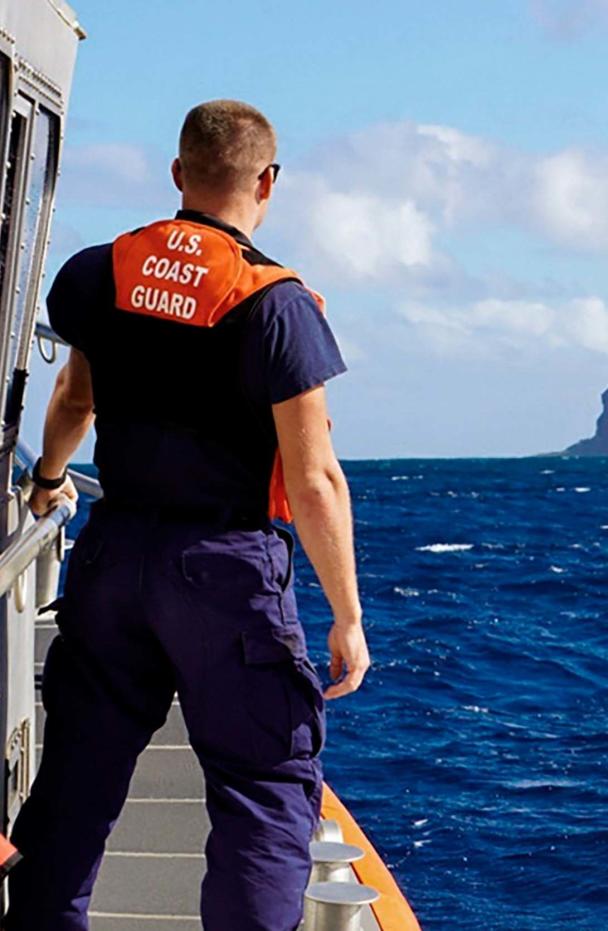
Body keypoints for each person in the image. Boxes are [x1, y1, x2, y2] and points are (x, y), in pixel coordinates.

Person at [4, 100, 370, 931]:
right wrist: (347, 615)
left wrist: (47, 480)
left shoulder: (99, 273)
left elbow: (73, 397)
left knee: (77, 778)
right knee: (262, 788)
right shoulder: (276, 303)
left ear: (178, 173)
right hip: (225, 569)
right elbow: (314, 480)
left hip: (113, 557)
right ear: (267, 182)